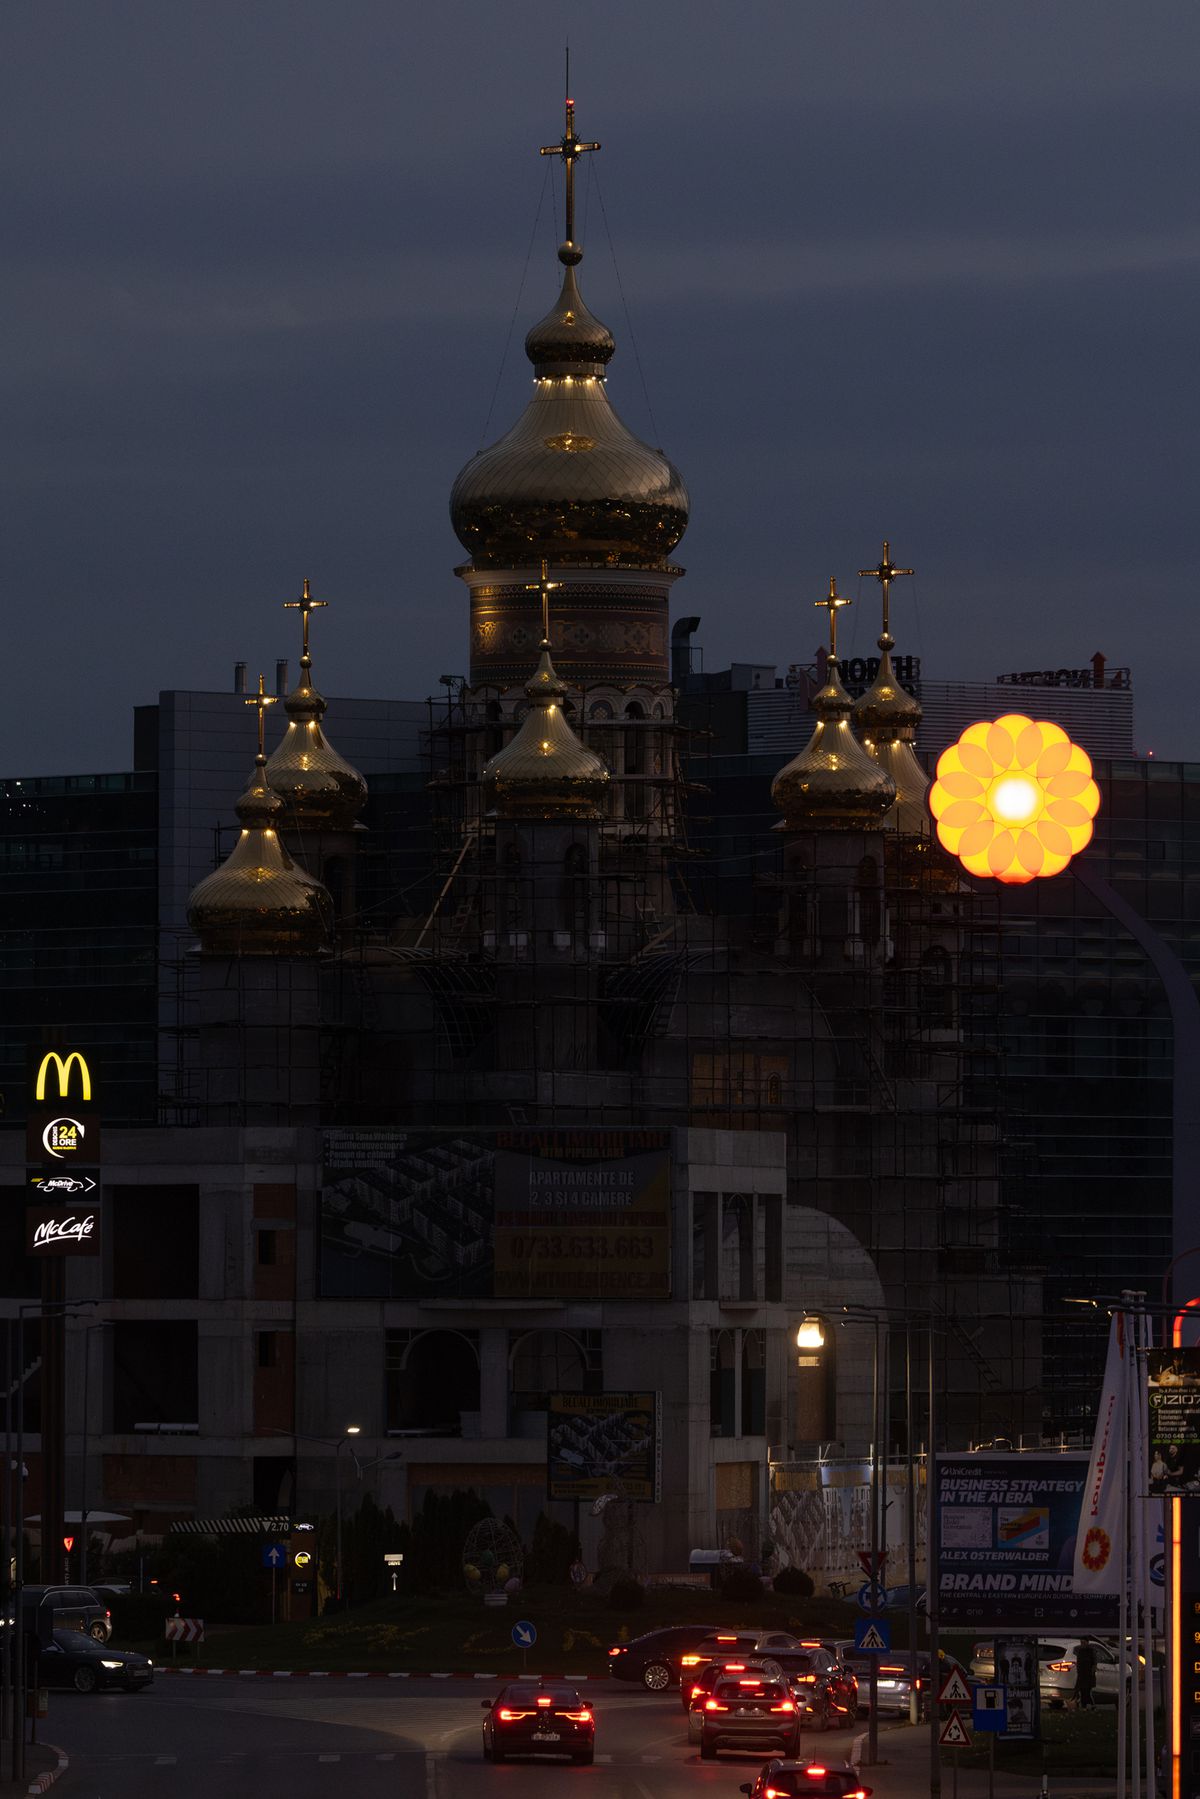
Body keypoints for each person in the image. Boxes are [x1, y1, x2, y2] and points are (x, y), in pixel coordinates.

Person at [1074, 1640, 1097, 1709]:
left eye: (1084, 1643)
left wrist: (1092, 1673)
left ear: (1087, 1642)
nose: (1082, 1644)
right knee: (1082, 1691)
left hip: (1088, 1675)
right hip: (1081, 1675)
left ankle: (1091, 1706)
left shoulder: (1091, 1651)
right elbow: (1078, 1663)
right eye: (1081, 1643)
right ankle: (1084, 1706)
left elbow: (1094, 1663)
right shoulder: (1080, 1651)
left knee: (1087, 1691)